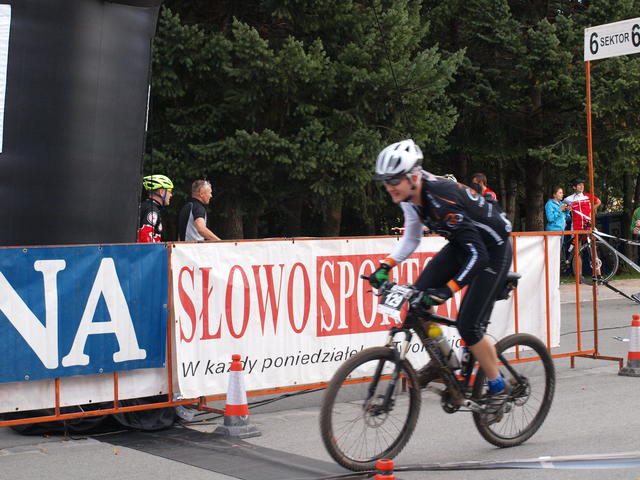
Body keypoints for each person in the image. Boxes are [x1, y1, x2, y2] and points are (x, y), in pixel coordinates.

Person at [369, 139, 513, 421]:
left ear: (413, 176)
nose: (389, 187)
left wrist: (447, 290)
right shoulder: (410, 197)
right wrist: (385, 265)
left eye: (394, 180)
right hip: (464, 246)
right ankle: (443, 360)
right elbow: (412, 237)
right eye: (385, 181)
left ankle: (498, 387)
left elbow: (479, 257)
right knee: (418, 304)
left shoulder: (441, 199)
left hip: (492, 252)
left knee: (469, 326)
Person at [563, 177, 602, 280]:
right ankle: (578, 277)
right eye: (579, 185)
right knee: (577, 252)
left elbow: (598, 201)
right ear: (574, 187)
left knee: (593, 249)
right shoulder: (568, 199)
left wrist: (590, 209)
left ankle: (598, 275)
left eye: (583, 185)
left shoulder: (588, 196)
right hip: (576, 227)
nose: (581, 187)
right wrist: (567, 209)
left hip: (589, 226)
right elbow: (563, 209)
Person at [138, 174, 173, 243]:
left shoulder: (146, 205)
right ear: (161, 192)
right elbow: (145, 239)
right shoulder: (152, 210)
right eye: (170, 191)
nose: (171, 195)